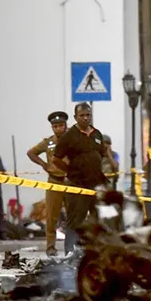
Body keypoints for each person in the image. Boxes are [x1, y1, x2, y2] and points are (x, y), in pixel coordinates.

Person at [52, 103, 109, 255]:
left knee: (99, 220)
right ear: (75, 117)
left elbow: (100, 155)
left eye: (87, 115)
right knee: (75, 221)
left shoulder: (97, 134)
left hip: (96, 185)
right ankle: (70, 253)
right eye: (81, 115)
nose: (85, 118)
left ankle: (97, 253)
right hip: (77, 185)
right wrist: (71, 171)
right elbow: (56, 159)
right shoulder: (69, 136)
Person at [26, 111, 71, 256]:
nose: (59, 129)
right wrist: (44, 165)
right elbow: (31, 153)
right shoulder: (48, 142)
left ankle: (71, 248)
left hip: (71, 181)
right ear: (52, 128)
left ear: (66, 125)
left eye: (61, 125)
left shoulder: (73, 139)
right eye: (56, 126)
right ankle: (50, 247)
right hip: (54, 181)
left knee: (72, 216)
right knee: (52, 216)